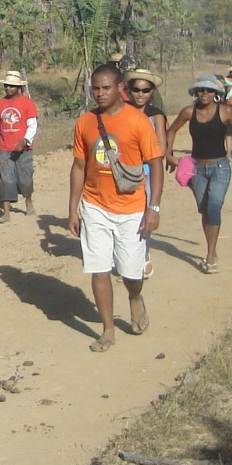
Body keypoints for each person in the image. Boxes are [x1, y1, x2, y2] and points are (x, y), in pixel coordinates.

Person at [68, 62, 163, 352]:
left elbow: (156, 166)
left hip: (132, 207)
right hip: (95, 205)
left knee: (131, 273)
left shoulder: (137, 121)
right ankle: (108, 329)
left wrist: (153, 208)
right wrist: (73, 209)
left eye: (106, 87)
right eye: (95, 88)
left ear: (120, 87)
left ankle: (134, 298)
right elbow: (79, 166)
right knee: (98, 268)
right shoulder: (85, 122)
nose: (100, 93)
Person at [165, 75, 232, 274]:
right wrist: (168, 154)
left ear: (216, 93)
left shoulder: (226, 112)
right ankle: (212, 249)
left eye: (208, 90)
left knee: (214, 207)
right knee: (204, 210)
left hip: (220, 168)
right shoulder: (188, 112)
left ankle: (210, 254)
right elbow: (171, 131)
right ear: (195, 93)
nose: (204, 93)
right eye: (201, 90)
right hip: (197, 169)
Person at [123, 67, 166, 280]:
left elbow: (161, 149)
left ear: (151, 92)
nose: (140, 94)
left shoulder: (156, 116)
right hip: (122, 171)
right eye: (136, 89)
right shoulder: (121, 112)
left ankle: (143, 254)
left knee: (144, 215)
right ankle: (127, 259)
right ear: (129, 90)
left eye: (145, 90)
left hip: (146, 172)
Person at [0, 70, 38, 223]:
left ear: (19, 87)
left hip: (24, 149)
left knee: (25, 178)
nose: (8, 89)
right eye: (6, 86)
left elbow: (32, 125)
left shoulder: (28, 103)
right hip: (5, 148)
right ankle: (6, 213)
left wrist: (25, 140)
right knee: (6, 180)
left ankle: (28, 201)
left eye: (11, 86)